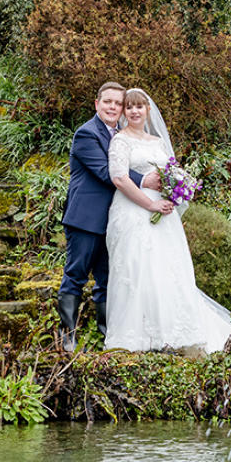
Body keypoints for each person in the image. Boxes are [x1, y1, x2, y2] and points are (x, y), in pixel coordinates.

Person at [104, 88, 231, 353]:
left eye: (139, 106)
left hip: (163, 214)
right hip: (133, 211)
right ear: (124, 112)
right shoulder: (120, 141)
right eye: (129, 107)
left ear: (147, 110)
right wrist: (150, 202)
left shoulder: (157, 142)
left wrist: (176, 189)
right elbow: (119, 178)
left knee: (166, 270)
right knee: (136, 268)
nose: (134, 111)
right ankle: (137, 337)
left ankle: (172, 333)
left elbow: (171, 171)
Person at [59, 82, 159, 352]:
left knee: (108, 279)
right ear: (97, 104)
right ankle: (67, 337)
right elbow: (107, 172)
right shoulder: (86, 134)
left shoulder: (122, 135)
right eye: (108, 102)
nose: (113, 107)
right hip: (86, 218)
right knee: (76, 274)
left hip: (116, 220)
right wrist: (146, 180)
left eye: (118, 103)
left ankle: (106, 335)